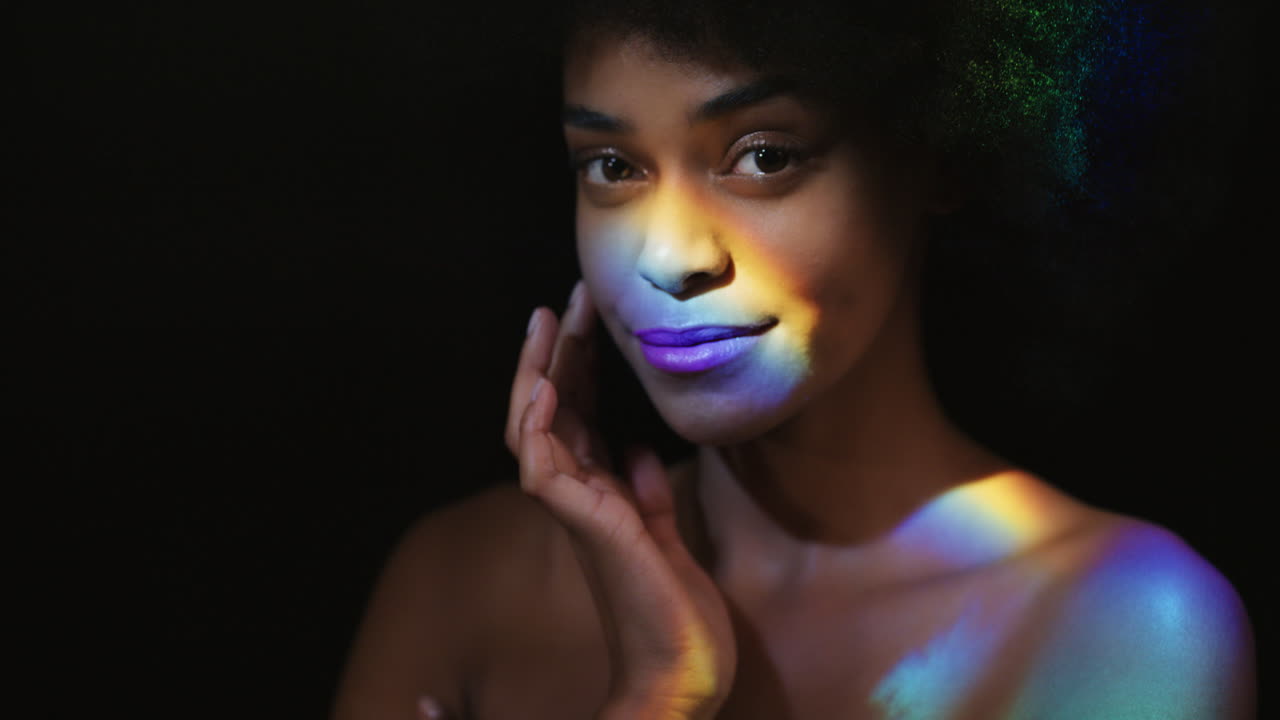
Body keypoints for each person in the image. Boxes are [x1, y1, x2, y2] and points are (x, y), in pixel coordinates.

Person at [332, 1, 1256, 717]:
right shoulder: (464, 582)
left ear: (936, 153)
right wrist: (658, 696)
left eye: (763, 155)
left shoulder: (1123, 626)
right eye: (612, 166)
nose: (669, 255)